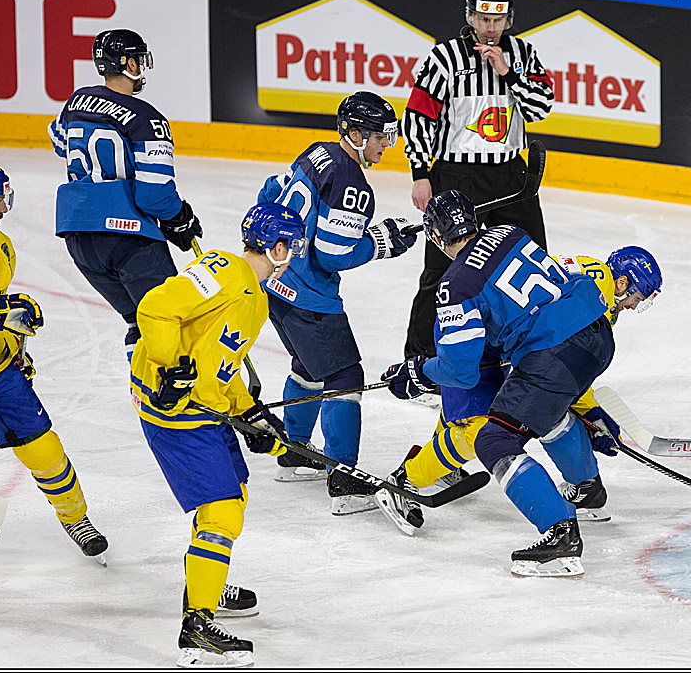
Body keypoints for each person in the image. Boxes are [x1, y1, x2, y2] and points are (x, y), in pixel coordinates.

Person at [381, 190, 616, 578]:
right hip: (597, 333)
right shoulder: (510, 232)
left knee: (494, 441)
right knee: (550, 411)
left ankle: (560, 537)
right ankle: (588, 491)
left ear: (437, 240)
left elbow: (462, 371)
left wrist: (418, 373)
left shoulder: (455, 284)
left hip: (552, 352)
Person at [376, 244, 664, 535]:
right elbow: (557, 348)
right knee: (479, 429)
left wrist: (589, 411)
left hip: (501, 334)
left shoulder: (591, 283)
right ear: (623, 281)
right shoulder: (597, 286)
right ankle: (405, 478)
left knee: (515, 411)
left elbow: (558, 358)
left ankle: (445, 462)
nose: (631, 306)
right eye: (636, 298)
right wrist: (425, 373)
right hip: (472, 327)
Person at [130, 202, 308, 667]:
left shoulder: (255, 295)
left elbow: (218, 368)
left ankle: (205, 579)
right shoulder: (226, 271)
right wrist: (171, 368)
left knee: (236, 494)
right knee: (222, 509)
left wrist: (253, 415)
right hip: (175, 410)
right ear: (278, 246)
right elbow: (154, 308)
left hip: (203, 406)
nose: (299, 252)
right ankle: (197, 627)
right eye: (295, 244)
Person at [255, 91, 419, 515]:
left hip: (275, 281)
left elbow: (270, 191)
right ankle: (345, 479)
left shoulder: (317, 153)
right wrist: (380, 243)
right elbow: (333, 253)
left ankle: (294, 453)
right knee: (345, 373)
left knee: (309, 367)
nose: (388, 144)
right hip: (310, 295)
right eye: (381, 136)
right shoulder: (353, 184)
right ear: (355, 133)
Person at [0, 160, 108, 562]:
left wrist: (16, 339)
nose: (5, 207)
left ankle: (76, 518)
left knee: (44, 449)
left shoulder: (2, 247)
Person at [401, 0, 554, 360]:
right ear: (470, 17)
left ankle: (535, 352)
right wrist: (421, 173)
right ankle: (421, 358)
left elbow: (541, 108)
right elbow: (419, 115)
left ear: (509, 19)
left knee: (535, 261)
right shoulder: (444, 57)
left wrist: (507, 72)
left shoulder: (523, 54)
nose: (490, 27)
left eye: (497, 20)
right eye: (483, 19)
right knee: (441, 271)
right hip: (457, 177)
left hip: (511, 176)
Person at [48, 28, 202, 360]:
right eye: (138, 59)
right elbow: (154, 195)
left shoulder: (76, 100)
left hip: (78, 237)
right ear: (129, 63)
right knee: (167, 321)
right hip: (127, 238)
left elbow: (59, 141)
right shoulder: (147, 119)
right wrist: (180, 218)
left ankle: (144, 400)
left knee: (138, 321)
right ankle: (176, 409)